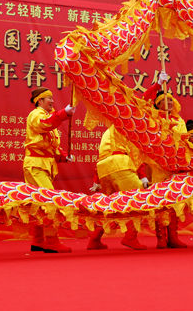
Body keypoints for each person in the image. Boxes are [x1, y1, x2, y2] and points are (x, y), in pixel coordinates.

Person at [23, 87, 75, 253]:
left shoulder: (47, 116)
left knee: (39, 204)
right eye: (49, 99)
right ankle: (51, 240)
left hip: (44, 164)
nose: (52, 101)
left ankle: (38, 240)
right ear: (40, 101)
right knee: (50, 201)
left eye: (52, 98)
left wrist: (63, 157)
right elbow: (43, 126)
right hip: (36, 165)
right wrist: (63, 114)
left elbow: (51, 147)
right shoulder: (36, 115)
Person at [87, 125, 149, 251]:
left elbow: (102, 156)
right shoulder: (127, 126)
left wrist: (97, 179)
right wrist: (143, 177)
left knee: (111, 206)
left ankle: (95, 238)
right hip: (120, 166)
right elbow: (135, 152)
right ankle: (130, 237)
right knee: (138, 200)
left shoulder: (108, 131)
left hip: (104, 169)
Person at [145, 72, 188, 249]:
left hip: (176, 162)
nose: (168, 103)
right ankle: (161, 237)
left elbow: (185, 141)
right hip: (159, 162)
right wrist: (157, 84)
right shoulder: (153, 117)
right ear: (157, 104)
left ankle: (174, 237)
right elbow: (144, 99)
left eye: (170, 100)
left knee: (175, 198)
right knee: (160, 199)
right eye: (164, 101)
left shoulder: (179, 120)